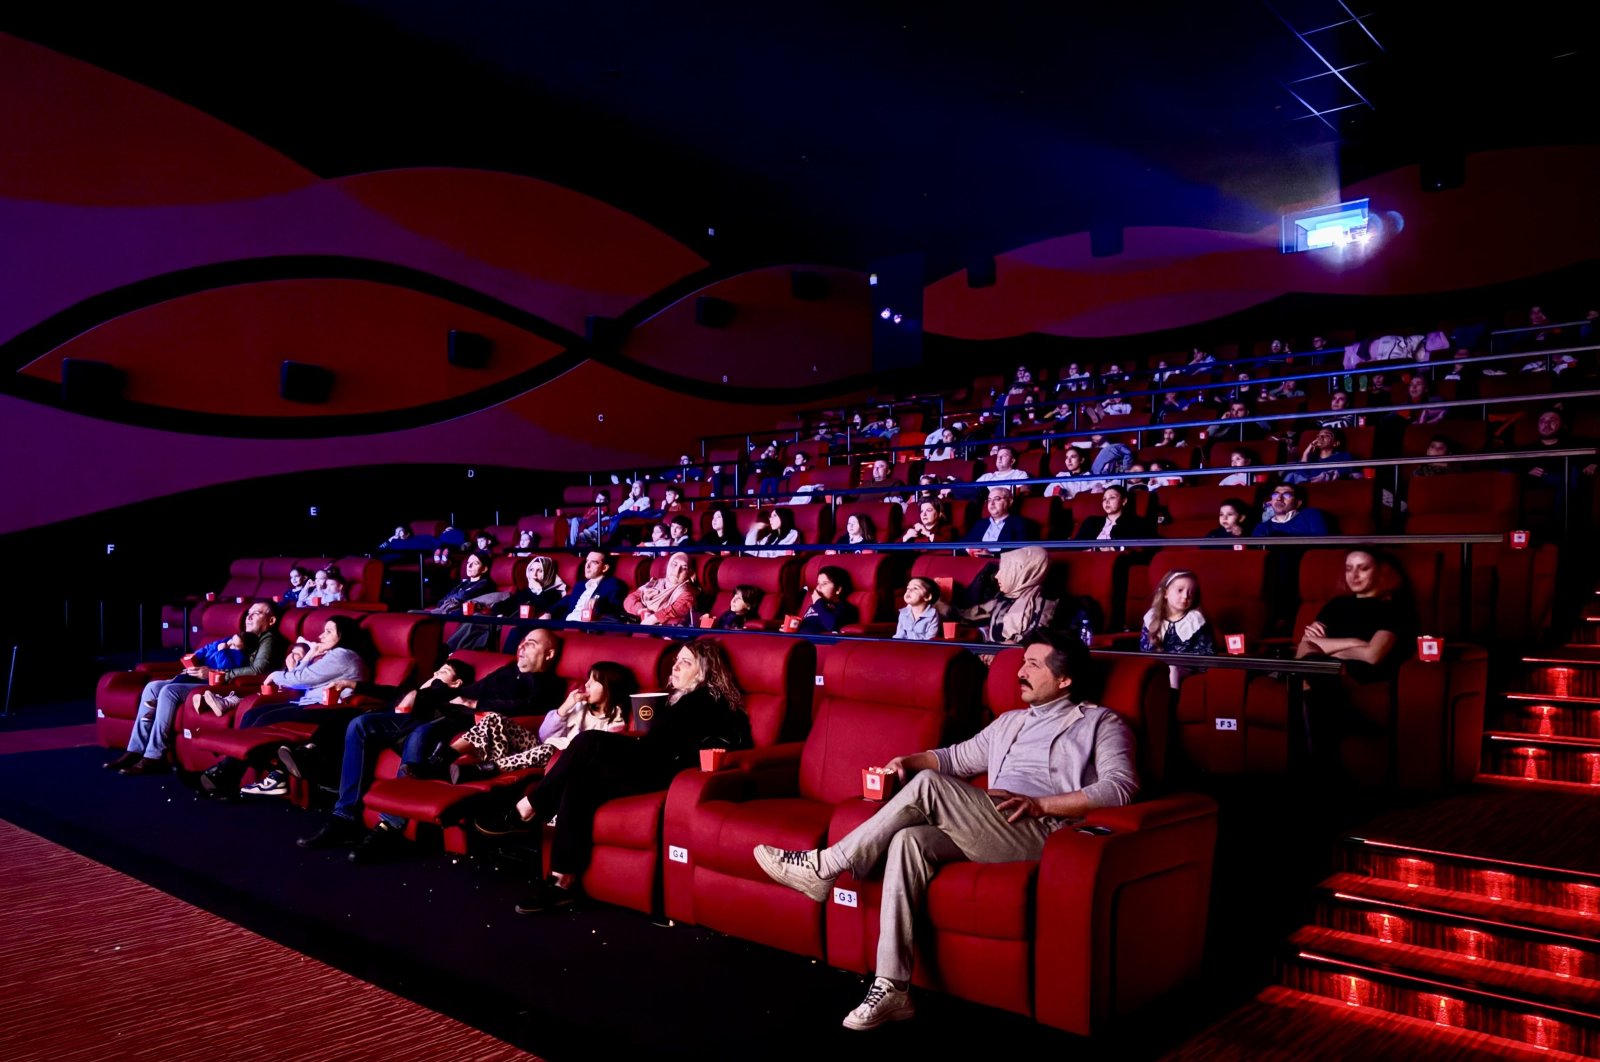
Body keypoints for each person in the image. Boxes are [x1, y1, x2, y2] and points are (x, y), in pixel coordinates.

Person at [752, 630, 1137, 1030]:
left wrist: (1041, 804)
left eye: (1033, 665)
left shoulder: (1099, 722)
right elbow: (952, 758)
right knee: (908, 840)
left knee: (929, 788)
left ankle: (826, 865)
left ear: (1064, 680)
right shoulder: (1008, 723)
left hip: (1045, 831)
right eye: (1022, 662)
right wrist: (907, 761)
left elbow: (1120, 788)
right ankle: (893, 985)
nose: (1020, 671)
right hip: (994, 822)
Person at [474, 640, 754, 913]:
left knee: (588, 741)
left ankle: (526, 809)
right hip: (651, 762)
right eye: (676, 660)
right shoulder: (681, 699)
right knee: (578, 782)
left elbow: (698, 745)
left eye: (685, 662)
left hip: (671, 774)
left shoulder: (705, 699)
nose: (675, 667)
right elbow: (660, 738)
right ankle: (562, 882)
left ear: (704, 672)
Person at [295, 630, 566, 861]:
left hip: (462, 725)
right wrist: (429, 691)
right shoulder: (506, 671)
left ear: (550, 654)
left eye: (531, 643)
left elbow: (533, 708)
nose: (521, 646)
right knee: (360, 725)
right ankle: (344, 817)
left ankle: (390, 827)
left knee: (420, 735)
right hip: (438, 711)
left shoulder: (549, 684)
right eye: (522, 642)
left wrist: (477, 705)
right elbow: (464, 692)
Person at [198, 615, 372, 796]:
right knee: (253, 714)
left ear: (344, 635)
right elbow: (298, 675)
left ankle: (231, 772)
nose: (321, 636)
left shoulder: (343, 655)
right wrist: (311, 653)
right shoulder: (331, 654)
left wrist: (275, 675)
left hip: (327, 708)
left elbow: (298, 680)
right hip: (309, 703)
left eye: (328, 632)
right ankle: (238, 772)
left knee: (265, 718)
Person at [107, 602, 286, 775]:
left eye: (257, 613)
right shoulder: (238, 637)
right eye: (249, 612)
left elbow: (258, 670)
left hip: (224, 685)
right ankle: (135, 749)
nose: (249, 615)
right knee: (153, 687)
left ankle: (154, 755)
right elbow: (210, 651)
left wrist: (213, 672)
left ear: (271, 621)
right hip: (207, 678)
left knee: (169, 691)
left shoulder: (267, 639)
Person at [1295, 550, 1414, 770]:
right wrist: (1356, 641)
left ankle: (1318, 771)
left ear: (1381, 572)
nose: (1354, 575)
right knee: (1312, 671)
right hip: (1325, 673)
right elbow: (1303, 648)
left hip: (1360, 676)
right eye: (1349, 568)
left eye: (1363, 568)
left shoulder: (1394, 609)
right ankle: (1327, 767)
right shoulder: (1336, 605)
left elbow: (1372, 655)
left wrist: (1327, 649)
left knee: (1310, 678)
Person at [447, 661, 637, 784]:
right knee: (493, 718)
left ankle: (488, 768)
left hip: (557, 761)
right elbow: (544, 735)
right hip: (538, 748)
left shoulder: (615, 722)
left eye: (594, 682)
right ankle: (444, 757)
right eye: (586, 679)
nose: (586, 684)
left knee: (547, 749)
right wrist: (565, 707)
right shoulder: (578, 706)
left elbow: (596, 753)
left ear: (610, 689)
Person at [958, 546, 1056, 645]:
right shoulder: (1004, 597)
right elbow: (971, 614)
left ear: (1023, 573)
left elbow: (1030, 645)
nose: (997, 576)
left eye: (1005, 571)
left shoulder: (1042, 606)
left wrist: (997, 650)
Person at [1139, 569, 1216, 687]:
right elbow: (1145, 650)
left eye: (1191, 592)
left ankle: (1170, 700)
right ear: (1165, 593)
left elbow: (1206, 653)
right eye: (1180, 590)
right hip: (1158, 666)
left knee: (1172, 669)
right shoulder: (1152, 617)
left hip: (1184, 667)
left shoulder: (1195, 620)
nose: (1185, 596)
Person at [624, 551, 699, 627]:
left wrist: (652, 618)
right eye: (674, 565)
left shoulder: (687, 594)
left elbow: (675, 609)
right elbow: (629, 599)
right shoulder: (654, 583)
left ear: (689, 573)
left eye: (684, 568)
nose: (677, 571)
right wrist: (642, 611)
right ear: (668, 566)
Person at [553, 551, 628, 622]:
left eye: (593, 562)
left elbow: (615, 607)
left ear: (604, 568)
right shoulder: (580, 585)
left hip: (587, 628)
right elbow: (566, 600)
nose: (587, 566)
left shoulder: (613, 584)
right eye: (587, 561)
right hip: (567, 624)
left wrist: (599, 604)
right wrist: (548, 613)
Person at [1073, 485, 1152, 542]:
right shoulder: (1091, 522)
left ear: (1124, 501)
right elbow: (1074, 546)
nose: (1106, 502)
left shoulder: (1135, 523)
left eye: (1112, 497)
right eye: (1104, 499)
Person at [1252, 483, 1331, 536]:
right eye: (1275, 494)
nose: (1279, 498)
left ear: (1298, 503)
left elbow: (1321, 546)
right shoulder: (1262, 527)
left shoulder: (1311, 516)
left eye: (1286, 495)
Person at [429, 551, 495, 614]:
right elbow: (443, 600)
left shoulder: (484, 584)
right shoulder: (465, 582)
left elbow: (464, 596)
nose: (469, 566)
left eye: (475, 563)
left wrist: (450, 599)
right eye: (468, 562)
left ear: (484, 569)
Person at [798, 566, 858, 634]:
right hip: (798, 639)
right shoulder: (814, 606)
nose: (818, 587)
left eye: (824, 584)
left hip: (815, 642)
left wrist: (818, 602)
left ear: (838, 589)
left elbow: (831, 625)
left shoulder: (845, 607)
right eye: (818, 583)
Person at [964, 488, 1035, 545]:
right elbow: (962, 545)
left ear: (1010, 502)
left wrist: (991, 555)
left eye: (997, 499)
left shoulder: (1020, 523)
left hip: (1003, 561)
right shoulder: (980, 524)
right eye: (989, 500)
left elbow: (1022, 551)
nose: (991, 503)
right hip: (978, 560)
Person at [1287, 427, 1353, 483]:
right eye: (1318, 436)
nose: (1320, 437)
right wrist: (1306, 452)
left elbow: (1346, 472)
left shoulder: (1343, 455)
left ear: (1335, 443)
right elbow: (1301, 474)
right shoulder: (1311, 457)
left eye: (1326, 435)